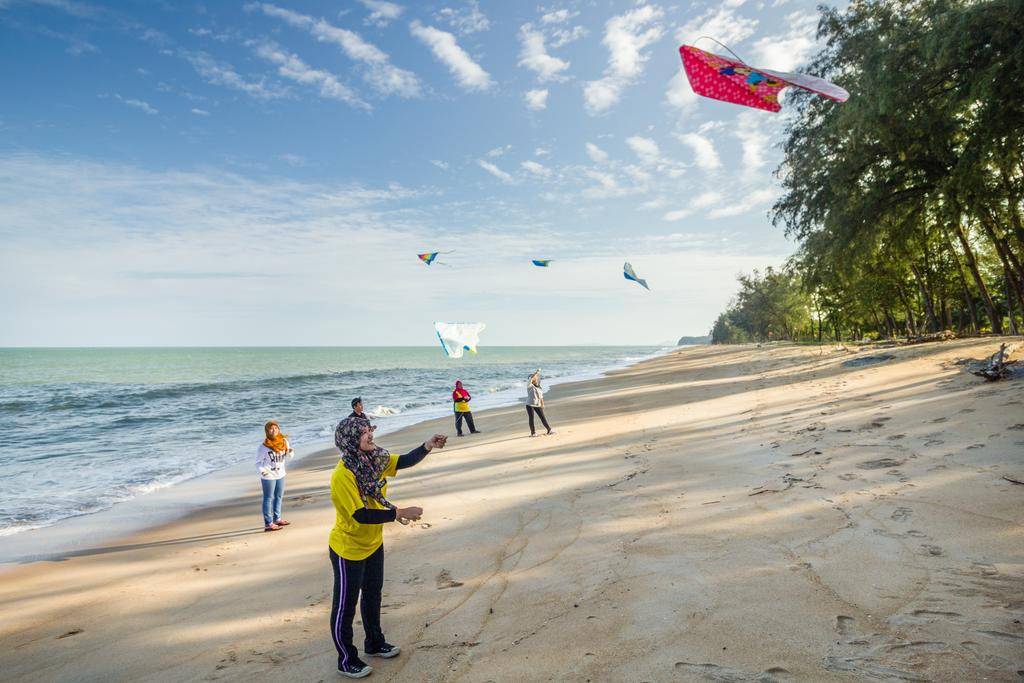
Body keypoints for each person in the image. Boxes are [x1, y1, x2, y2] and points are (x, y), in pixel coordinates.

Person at [329, 415, 447, 678]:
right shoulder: (343, 475)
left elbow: (403, 461)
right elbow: (360, 514)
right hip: (348, 549)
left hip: (373, 543)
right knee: (345, 607)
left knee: (373, 595)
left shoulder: (372, 460)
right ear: (351, 440)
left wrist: (427, 446)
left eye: (369, 429)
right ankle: (346, 659)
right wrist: (398, 512)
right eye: (364, 432)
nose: (370, 434)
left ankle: (374, 642)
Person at [257, 420, 293, 531]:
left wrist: (290, 452)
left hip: (281, 473)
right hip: (268, 475)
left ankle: (277, 519)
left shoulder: (284, 441)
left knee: (278, 496)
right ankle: (268, 523)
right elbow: (258, 462)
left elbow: (289, 455)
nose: (274, 430)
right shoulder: (263, 447)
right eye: (271, 429)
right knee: (268, 498)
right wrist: (263, 471)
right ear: (267, 431)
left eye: (276, 428)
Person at [526, 370, 554, 437]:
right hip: (530, 405)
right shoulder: (529, 385)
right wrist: (536, 372)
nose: (535, 379)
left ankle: (549, 430)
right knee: (531, 418)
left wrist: (542, 404)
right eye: (533, 378)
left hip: (538, 405)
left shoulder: (539, 387)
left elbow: (541, 397)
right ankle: (533, 433)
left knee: (542, 417)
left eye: (535, 378)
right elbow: (531, 378)